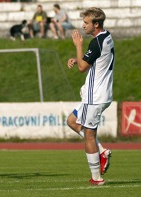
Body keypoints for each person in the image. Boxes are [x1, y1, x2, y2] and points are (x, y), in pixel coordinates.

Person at [67, 7, 115, 185]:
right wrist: (78, 57)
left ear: (96, 24)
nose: (83, 26)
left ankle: (97, 178)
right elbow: (92, 61)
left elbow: (82, 68)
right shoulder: (106, 36)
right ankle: (102, 150)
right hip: (100, 94)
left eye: (86, 23)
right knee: (72, 121)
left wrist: (78, 46)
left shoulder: (95, 43)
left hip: (94, 97)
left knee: (88, 135)